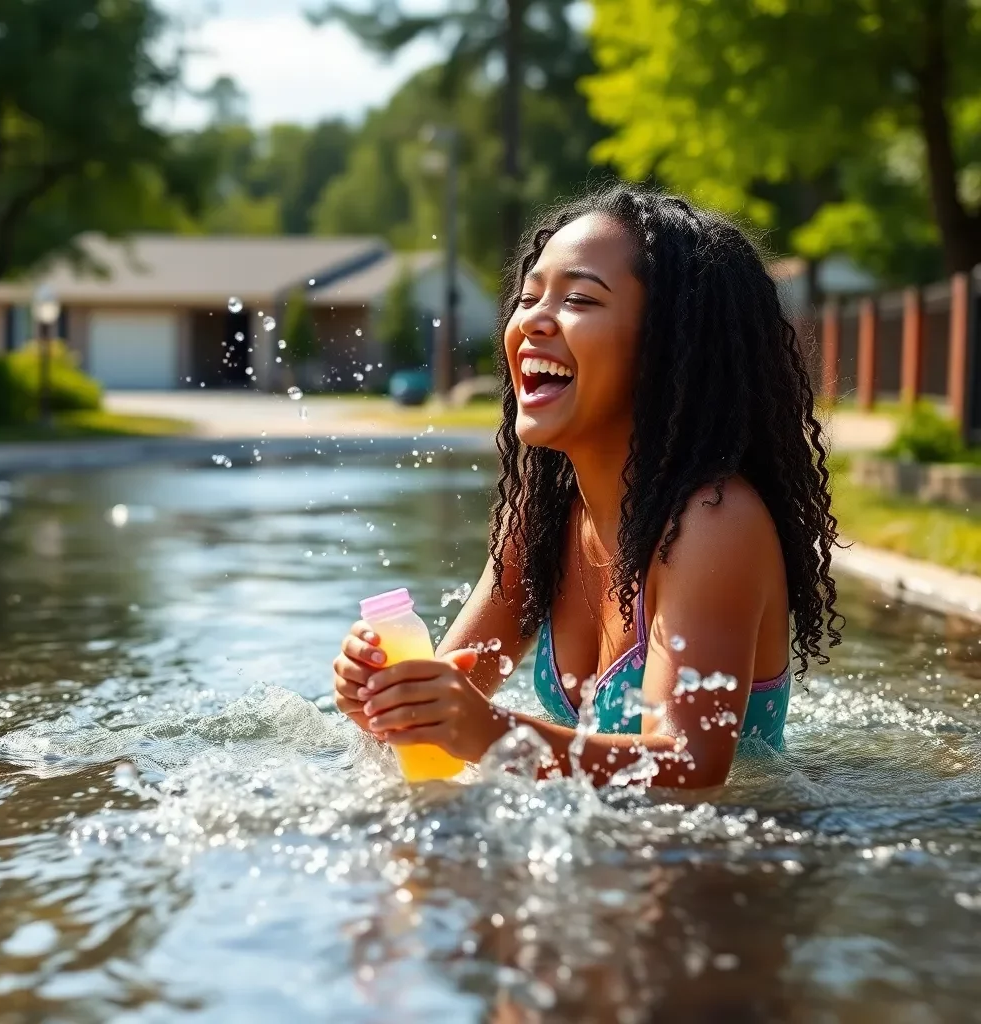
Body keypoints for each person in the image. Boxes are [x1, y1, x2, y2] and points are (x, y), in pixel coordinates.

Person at [333, 183, 841, 788]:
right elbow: (451, 706)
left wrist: (493, 733)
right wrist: (389, 700)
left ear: (669, 344)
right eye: (527, 297)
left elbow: (691, 766)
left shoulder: (713, 522)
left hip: (720, 865)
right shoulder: (543, 516)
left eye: (577, 299)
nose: (533, 322)